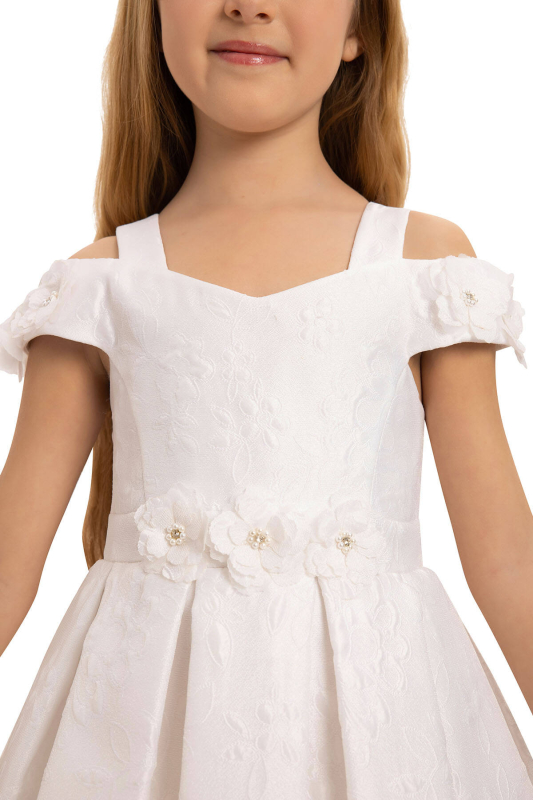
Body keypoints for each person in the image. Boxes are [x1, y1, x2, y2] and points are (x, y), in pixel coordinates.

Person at [0, 0, 532, 797]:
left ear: (358, 32)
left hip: (382, 724)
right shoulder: (96, 285)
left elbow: (505, 557)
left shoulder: (423, 267)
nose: (249, 5)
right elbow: (8, 562)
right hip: (136, 734)